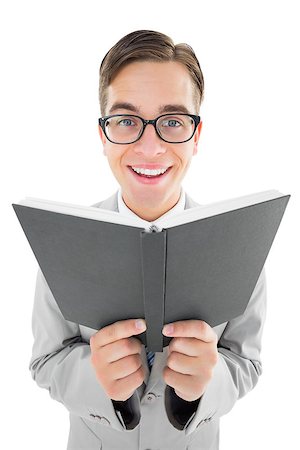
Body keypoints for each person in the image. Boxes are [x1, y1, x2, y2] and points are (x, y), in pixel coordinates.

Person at [30, 30, 267, 449]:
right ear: (103, 135)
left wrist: (201, 388)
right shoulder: (64, 239)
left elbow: (245, 362)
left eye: (173, 121)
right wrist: (96, 377)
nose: (150, 146)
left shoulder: (240, 241)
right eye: (126, 121)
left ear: (196, 135)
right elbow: (47, 360)